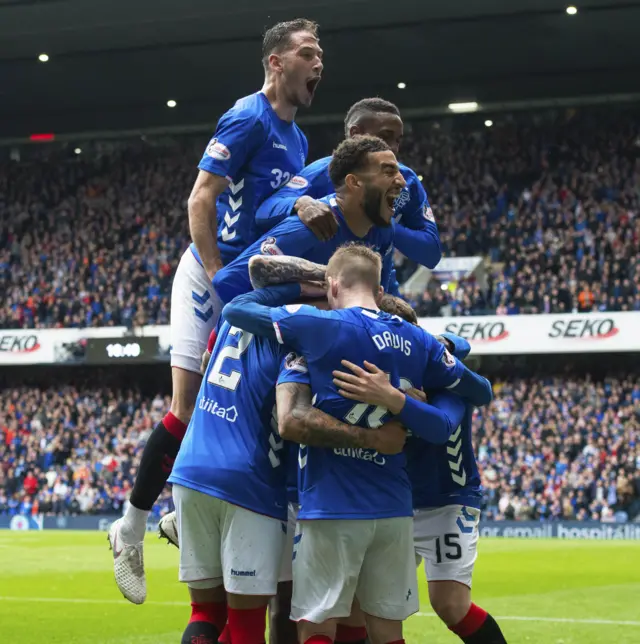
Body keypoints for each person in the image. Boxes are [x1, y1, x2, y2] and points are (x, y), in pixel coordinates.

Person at [108, 17, 324, 605]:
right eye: (308, 52)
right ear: (277, 62)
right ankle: (129, 526)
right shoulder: (247, 117)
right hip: (211, 276)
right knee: (187, 404)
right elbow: (200, 198)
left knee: (246, 402)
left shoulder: (299, 142)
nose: (319, 63)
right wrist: (219, 278)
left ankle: (180, 514)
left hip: (251, 279)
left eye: (321, 54)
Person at [221, 244, 492, 644]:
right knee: (386, 630)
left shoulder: (321, 325)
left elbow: (236, 310)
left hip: (332, 504)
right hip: (395, 510)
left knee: (316, 626)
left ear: (332, 286)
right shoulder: (417, 340)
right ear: (381, 291)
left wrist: (300, 285)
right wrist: (403, 394)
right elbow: (477, 392)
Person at [167, 300, 405, 644]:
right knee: (250, 623)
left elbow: (208, 364)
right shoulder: (301, 337)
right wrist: (378, 434)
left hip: (190, 471)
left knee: (207, 613)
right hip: (252, 484)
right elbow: (291, 420)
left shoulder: (231, 318)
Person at [333, 319, 508, 643]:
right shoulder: (383, 381)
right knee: (361, 605)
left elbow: (440, 425)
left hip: (448, 502)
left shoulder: (448, 384)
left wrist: (398, 399)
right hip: (398, 503)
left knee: (450, 604)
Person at [212, 135, 407, 306]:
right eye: (389, 172)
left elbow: (382, 294)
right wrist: (297, 316)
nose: (402, 181)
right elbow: (227, 282)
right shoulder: (308, 228)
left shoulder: (384, 228)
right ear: (354, 182)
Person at [256, 97, 441, 269]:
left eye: (398, 140)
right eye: (385, 137)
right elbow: (264, 211)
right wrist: (302, 203)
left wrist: (382, 221)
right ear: (356, 134)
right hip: (322, 286)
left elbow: (431, 254)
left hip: (379, 289)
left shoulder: (407, 181)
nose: (393, 147)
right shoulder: (321, 172)